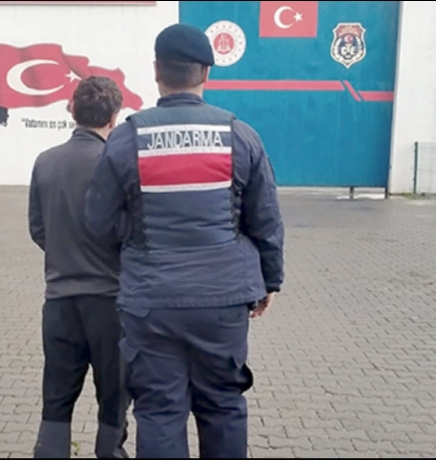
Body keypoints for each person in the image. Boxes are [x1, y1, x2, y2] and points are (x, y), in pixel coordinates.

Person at [83, 23, 285, 458]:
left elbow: (98, 221)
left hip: (151, 301)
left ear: (157, 70)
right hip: (223, 300)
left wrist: (138, 235)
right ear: (206, 73)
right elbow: (265, 218)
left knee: (159, 409)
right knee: (223, 405)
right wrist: (270, 280)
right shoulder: (240, 135)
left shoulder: (128, 137)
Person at [28, 76, 129, 458]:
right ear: (114, 117)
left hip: (59, 301)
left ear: (72, 110)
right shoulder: (117, 163)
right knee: (114, 394)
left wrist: (64, 251)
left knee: (56, 397)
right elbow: (131, 232)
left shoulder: (45, 161)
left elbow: (38, 229)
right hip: (110, 301)